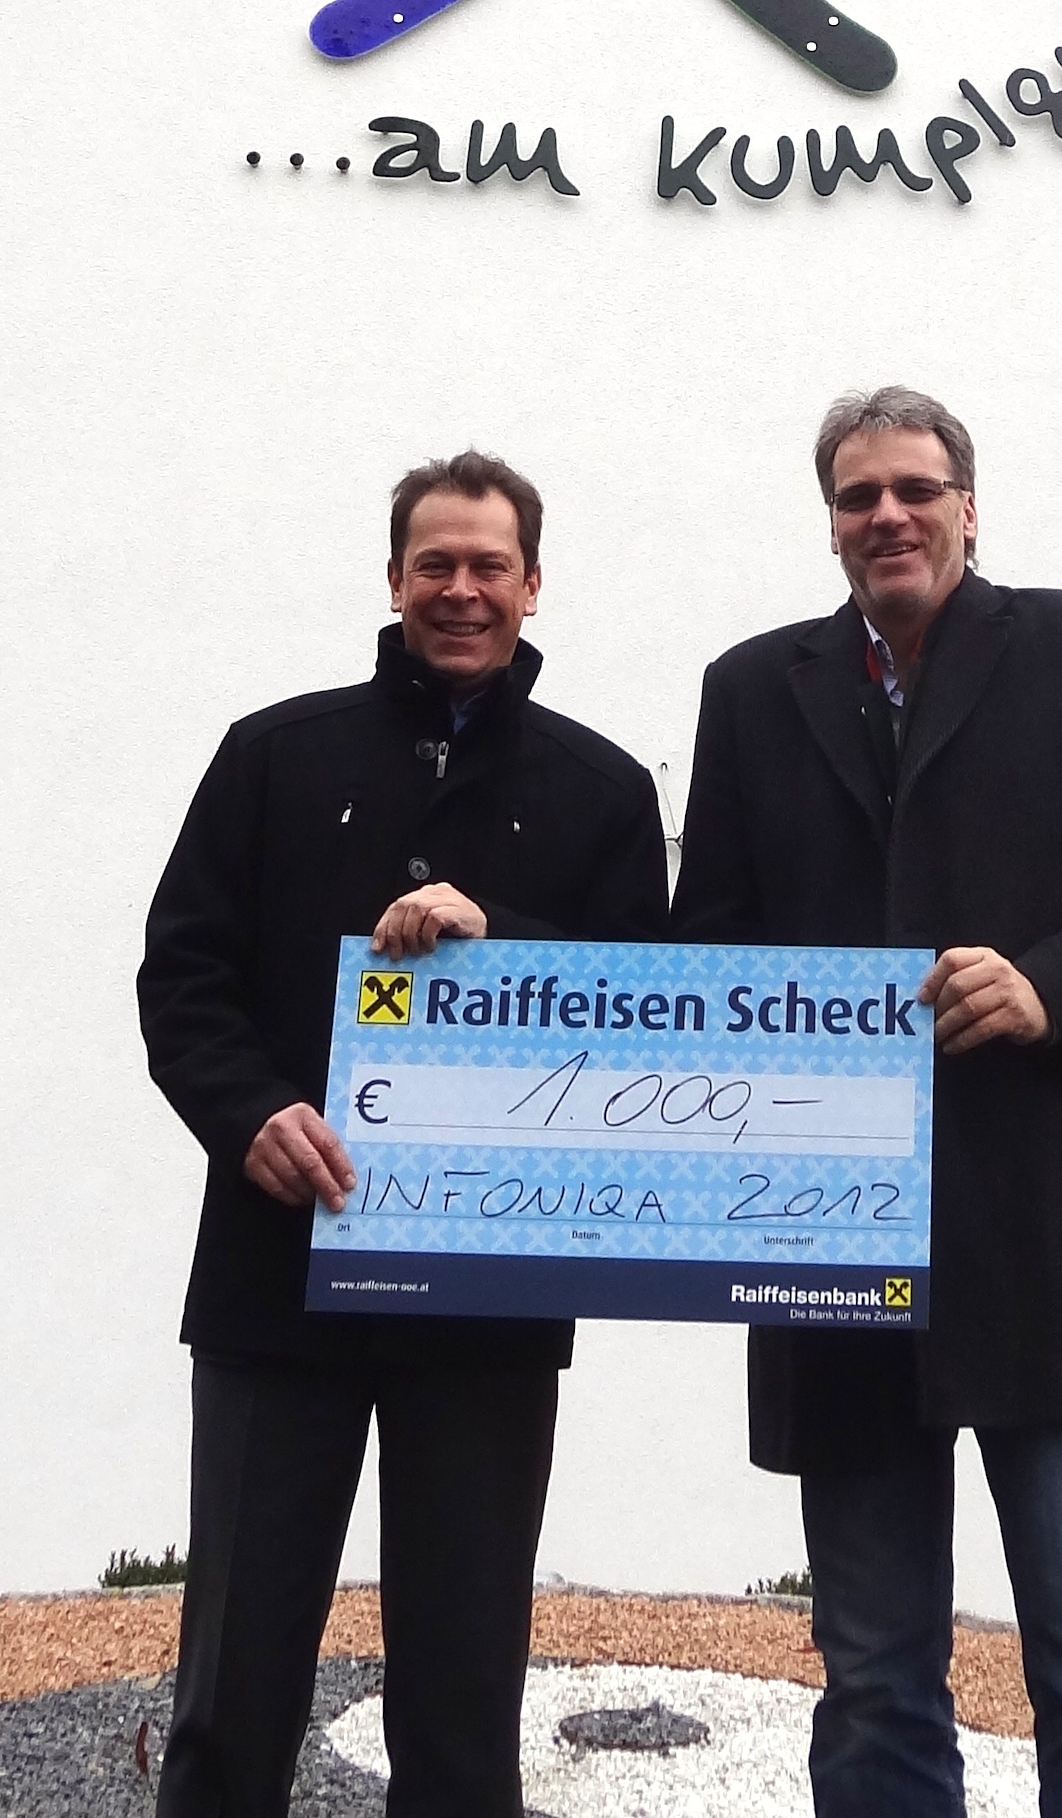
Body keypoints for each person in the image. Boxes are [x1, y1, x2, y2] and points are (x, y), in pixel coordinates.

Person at [671, 387, 1062, 1818]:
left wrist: (1049, 986)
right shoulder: (751, 688)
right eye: (857, 496)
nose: (888, 516)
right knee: (872, 1685)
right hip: (834, 1252)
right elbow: (708, 951)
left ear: (968, 509)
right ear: (830, 524)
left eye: (914, 489)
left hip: (1057, 1244)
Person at [136, 450, 668, 1818]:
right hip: (273, 1277)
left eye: (490, 565)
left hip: (489, 1297)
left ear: (533, 585)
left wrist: (508, 938)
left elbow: (644, 1019)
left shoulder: (603, 790)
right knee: (233, 1682)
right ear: (393, 578)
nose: (461, 589)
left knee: (463, 1697)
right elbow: (181, 977)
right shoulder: (272, 754)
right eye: (436, 562)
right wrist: (248, 1113)